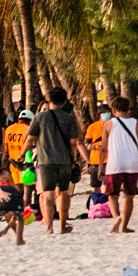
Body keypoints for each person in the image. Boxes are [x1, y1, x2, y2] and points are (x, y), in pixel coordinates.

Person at [27, 89, 82, 234]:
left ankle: (49, 227)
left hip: (45, 161)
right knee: (64, 193)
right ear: (64, 101)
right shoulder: (69, 118)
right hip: (64, 162)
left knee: (48, 193)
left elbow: (30, 139)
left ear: (49, 99)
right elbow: (73, 142)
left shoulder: (39, 117)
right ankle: (63, 226)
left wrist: (21, 154)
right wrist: (74, 160)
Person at [102, 96, 138, 232]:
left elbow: (103, 147)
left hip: (115, 163)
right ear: (128, 109)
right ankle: (124, 227)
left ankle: (116, 217)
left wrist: (100, 166)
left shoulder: (108, 124)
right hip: (132, 163)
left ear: (114, 110)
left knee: (112, 195)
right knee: (129, 196)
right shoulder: (137, 124)